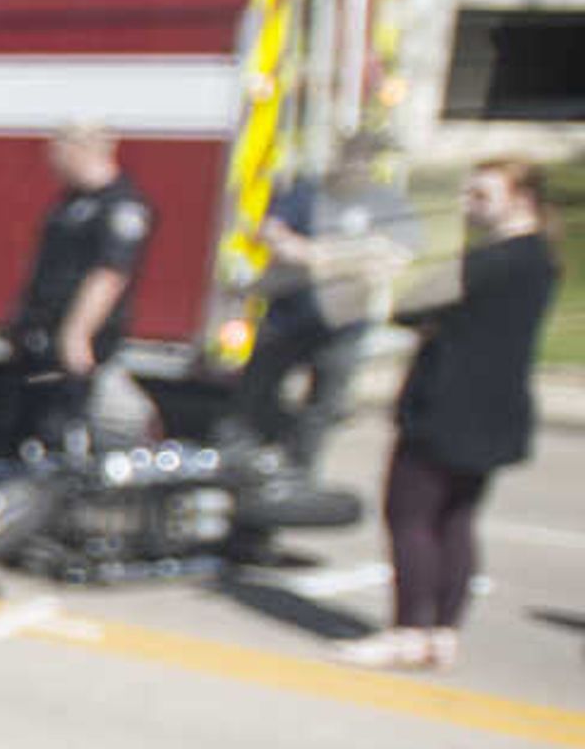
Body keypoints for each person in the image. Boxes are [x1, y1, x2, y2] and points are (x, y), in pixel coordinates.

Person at [337, 158, 562, 673]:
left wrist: (392, 276)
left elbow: (411, 306)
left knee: (411, 515)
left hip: (447, 405)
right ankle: (442, 632)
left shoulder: (491, 260)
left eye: (482, 196)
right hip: (497, 406)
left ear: (521, 199)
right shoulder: (540, 259)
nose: (469, 206)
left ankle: (408, 630)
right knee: (457, 518)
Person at [227, 131, 409, 470]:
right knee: (254, 397)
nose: (360, 167)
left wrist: (314, 254)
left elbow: (390, 257)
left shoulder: (384, 202)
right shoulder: (308, 192)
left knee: (325, 406)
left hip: (344, 324)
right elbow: (272, 234)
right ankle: (245, 459)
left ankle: (300, 469)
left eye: (368, 160)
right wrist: (345, 257)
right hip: (289, 316)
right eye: (355, 158)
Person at [0, 123, 150, 453]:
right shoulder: (71, 202)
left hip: (72, 346)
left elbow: (109, 274)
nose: (52, 163)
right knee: (26, 430)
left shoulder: (120, 206)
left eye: (57, 153)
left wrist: (77, 334)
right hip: (39, 340)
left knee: (61, 431)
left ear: (81, 150)